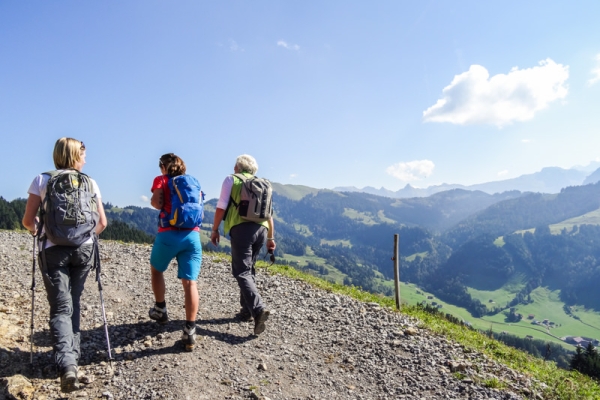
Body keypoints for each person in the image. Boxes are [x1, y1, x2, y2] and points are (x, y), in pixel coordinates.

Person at [22, 137, 107, 393]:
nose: (85, 159)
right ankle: (74, 357)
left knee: (60, 307)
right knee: (75, 302)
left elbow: (28, 221)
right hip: (84, 250)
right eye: (83, 154)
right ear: (74, 156)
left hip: (53, 250)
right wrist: (83, 238)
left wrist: (41, 231)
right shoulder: (89, 182)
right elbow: (101, 223)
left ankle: (67, 365)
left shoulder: (42, 179)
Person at [211, 154, 276, 335]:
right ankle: (246, 311)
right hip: (261, 229)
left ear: (238, 167)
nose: (233, 168)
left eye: (235, 165)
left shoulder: (231, 180)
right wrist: (271, 238)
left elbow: (221, 206)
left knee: (241, 271)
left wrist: (214, 229)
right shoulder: (263, 184)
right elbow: (270, 214)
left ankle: (258, 309)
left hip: (241, 228)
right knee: (249, 269)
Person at [148, 153, 202, 351]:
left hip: (169, 235)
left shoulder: (161, 180)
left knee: (156, 270)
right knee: (190, 282)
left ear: (163, 166)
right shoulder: (192, 182)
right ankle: (190, 330)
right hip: (193, 237)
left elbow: (157, 203)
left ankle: (160, 309)